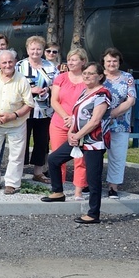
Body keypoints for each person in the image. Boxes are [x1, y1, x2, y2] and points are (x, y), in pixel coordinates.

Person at [42, 62, 111, 224]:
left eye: (91, 74)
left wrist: (77, 134)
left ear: (100, 76)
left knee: (93, 179)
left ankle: (93, 214)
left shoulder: (102, 94)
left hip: (93, 141)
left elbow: (95, 121)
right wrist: (72, 131)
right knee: (54, 159)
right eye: (85, 73)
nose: (86, 76)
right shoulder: (84, 91)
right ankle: (58, 192)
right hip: (78, 138)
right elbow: (76, 114)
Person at [0, 50, 34, 194]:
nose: (8, 65)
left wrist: (13, 115)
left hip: (16, 123)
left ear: (15, 62)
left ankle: (12, 183)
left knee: (16, 155)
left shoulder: (22, 80)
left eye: (10, 62)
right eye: (4, 62)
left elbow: (29, 104)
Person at [16, 36, 58, 183]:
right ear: (27, 49)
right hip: (24, 110)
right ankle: (18, 172)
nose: (35, 51)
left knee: (42, 141)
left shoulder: (50, 66)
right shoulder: (20, 65)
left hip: (45, 110)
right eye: (32, 49)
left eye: (39, 49)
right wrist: (31, 90)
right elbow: (14, 86)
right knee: (22, 141)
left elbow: (56, 85)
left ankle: (38, 172)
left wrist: (47, 89)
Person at [50, 48, 88, 200]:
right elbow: (54, 100)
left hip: (80, 125)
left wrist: (74, 119)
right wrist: (66, 116)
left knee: (80, 159)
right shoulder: (61, 78)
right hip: (60, 122)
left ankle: (78, 191)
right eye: (69, 59)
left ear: (83, 61)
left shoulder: (87, 79)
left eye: (74, 59)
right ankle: (59, 189)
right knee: (58, 157)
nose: (71, 62)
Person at [102, 48, 136, 199]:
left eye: (115, 61)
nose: (111, 63)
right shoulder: (98, 76)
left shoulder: (127, 77)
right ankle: (89, 184)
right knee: (93, 154)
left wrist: (113, 113)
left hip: (120, 123)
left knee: (117, 155)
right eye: (108, 61)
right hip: (98, 122)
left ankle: (113, 187)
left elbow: (131, 99)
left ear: (119, 62)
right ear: (103, 62)